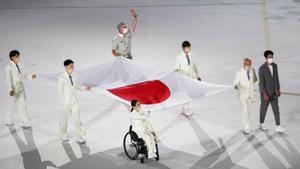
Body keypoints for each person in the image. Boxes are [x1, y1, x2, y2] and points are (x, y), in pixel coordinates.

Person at [58, 59, 92, 143]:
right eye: (71, 66)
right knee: (64, 120)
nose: (72, 68)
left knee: (77, 119)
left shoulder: (73, 76)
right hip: (66, 103)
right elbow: (60, 92)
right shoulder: (62, 78)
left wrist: (85, 88)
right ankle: (63, 134)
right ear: (66, 67)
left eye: (73, 66)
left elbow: (76, 86)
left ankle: (79, 136)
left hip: (74, 102)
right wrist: (64, 102)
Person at [5, 50, 37, 128]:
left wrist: (30, 76)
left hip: (21, 87)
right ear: (12, 57)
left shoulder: (20, 64)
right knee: (12, 105)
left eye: (19, 56)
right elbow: (8, 79)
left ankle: (26, 121)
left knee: (22, 105)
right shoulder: (8, 67)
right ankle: (9, 120)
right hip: (14, 89)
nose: (18, 58)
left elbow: (23, 74)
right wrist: (10, 90)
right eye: (16, 56)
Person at [259, 50, 285, 133]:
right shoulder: (261, 69)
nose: (271, 58)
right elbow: (261, 83)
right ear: (266, 58)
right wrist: (264, 94)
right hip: (265, 94)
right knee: (263, 109)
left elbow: (276, 78)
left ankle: (278, 126)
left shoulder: (275, 66)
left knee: (276, 109)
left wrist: (278, 89)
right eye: (269, 57)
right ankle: (261, 124)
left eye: (272, 57)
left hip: (274, 93)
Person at [175, 41, 202, 116]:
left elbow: (194, 66)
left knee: (188, 93)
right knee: (186, 94)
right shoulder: (179, 57)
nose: (189, 49)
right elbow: (176, 68)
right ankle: (186, 109)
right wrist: (177, 78)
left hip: (190, 77)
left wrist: (198, 76)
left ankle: (184, 108)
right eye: (187, 47)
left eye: (189, 47)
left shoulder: (191, 55)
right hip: (183, 78)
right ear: (184, 48)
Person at [234, 58, 258, 134]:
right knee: (244, 110)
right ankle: (246, 127)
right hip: (242, 94)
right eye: (246, 64)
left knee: (248, 111)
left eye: (249, 64)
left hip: (249, 94)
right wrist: (236, 86)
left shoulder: (252, 72)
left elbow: (255, 81)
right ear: (243, 64)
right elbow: (236, 81)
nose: (247, 65)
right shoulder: (239, 72)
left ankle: (243, 125)